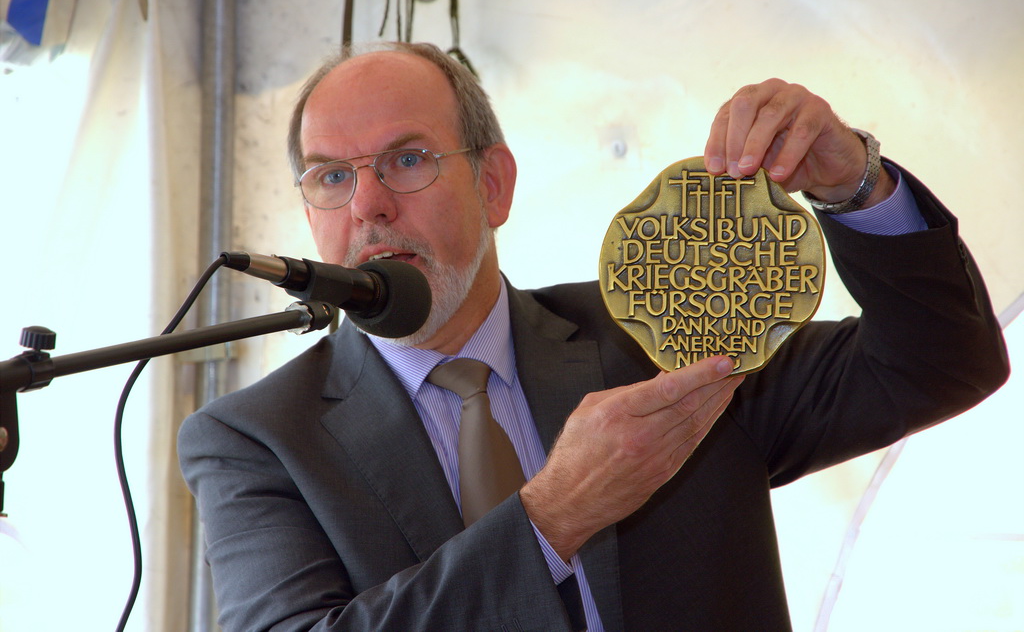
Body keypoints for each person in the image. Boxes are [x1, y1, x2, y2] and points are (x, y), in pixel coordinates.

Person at [178, 41, 1009, 631]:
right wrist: (553, 517)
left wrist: (855, 185)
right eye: (332, 176)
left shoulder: (664, 331)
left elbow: (943, 363)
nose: (368, 205)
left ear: (494, 184)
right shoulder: (257, 439)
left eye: (406, 160)